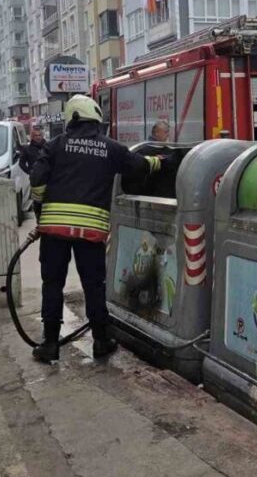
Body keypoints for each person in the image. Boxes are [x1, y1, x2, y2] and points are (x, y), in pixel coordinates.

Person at [29, 95, 161, 363]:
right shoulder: (109, 148)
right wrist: (161, 161)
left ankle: (51, 344)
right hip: (90, 232)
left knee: (53, 284)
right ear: (96, 118)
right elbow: (139, 166)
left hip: (54, 231)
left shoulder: (55, 146)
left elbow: (37, 180)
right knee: (93, 285)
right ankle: (101, 341)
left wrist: (41, 212)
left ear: (71, 119)